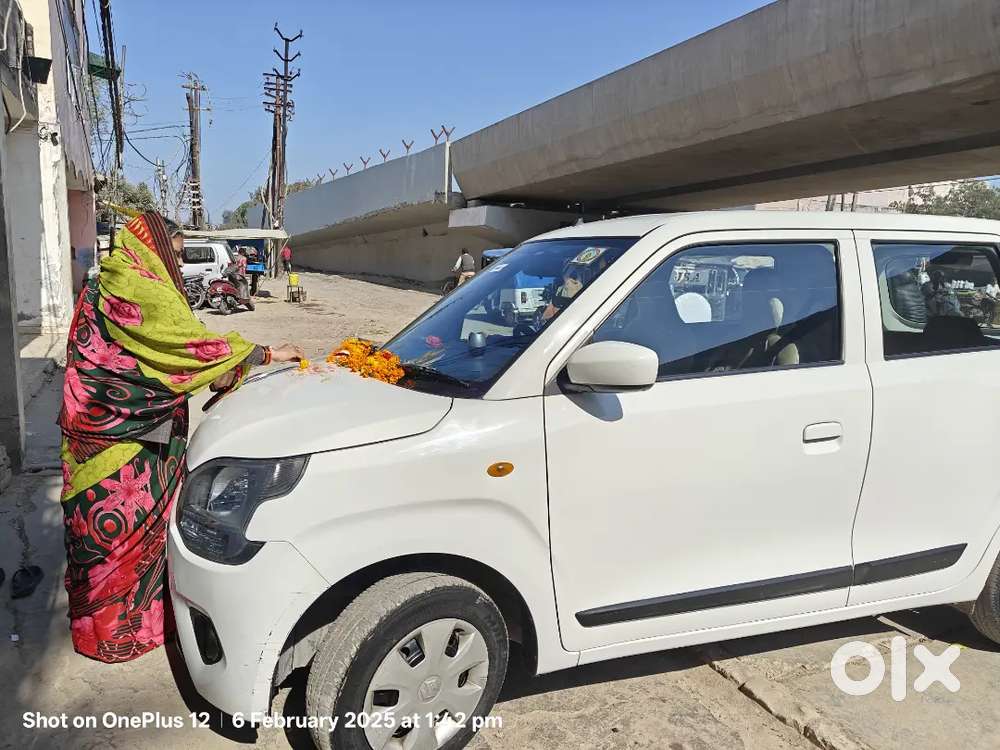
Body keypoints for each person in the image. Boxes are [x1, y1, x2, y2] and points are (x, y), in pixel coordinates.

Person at [58, 211, 303, 663]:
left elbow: (123, 359)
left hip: (88, 432)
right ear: (153, 249)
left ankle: (95, 630)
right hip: (133, 441)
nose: (177, 261)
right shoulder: (144, 289)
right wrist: (263, 354)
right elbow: (187, 348)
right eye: (173, 251)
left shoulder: (100, 284)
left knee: (96, 534)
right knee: (125, 531)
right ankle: (122, 634)